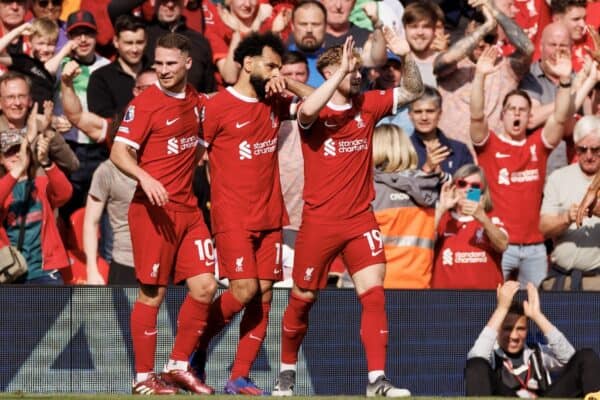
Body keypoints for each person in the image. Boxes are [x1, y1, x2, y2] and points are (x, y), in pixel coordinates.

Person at [272, 29, 423, 397]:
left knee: (373, 296)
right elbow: (306, 110)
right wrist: (340, 72)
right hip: (319, 222)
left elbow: (413, 91)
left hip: (359, 220)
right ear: (330, 74)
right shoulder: (313, 111)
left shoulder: (368, 105)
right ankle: (287, 371)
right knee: (302, 299)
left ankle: (376, 381)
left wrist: (406, 55)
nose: (358, 75)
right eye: (350, 70)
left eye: (356, 69)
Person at [192, 31, 311, 395]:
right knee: (242, 289)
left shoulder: (274, 102)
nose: (275, 71)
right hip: (232, 215)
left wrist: (286, 80)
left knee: (264, 295)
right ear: (247, 63)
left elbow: (322, 103)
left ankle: (238, 376)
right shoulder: (215, 107)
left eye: (279, 65)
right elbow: (195, 159)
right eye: (270, 64)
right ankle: (192, 350)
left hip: (272, 214)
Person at [110, 32, 217, 395]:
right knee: (152, 295)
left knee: (205, 287)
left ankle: (177, 365)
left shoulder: (197, 101)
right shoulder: (145, 104)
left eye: (171, 63)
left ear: (188, 63)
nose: (164, 70)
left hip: (188, 210)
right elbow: (118, 152)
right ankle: (142, 378)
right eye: (158, 64)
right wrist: (144, 176)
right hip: (152, 211)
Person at [470, 45, 574, 287]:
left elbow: (559, 116)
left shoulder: (538, 144)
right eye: (511, 110)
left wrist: (566, 80)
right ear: (502, 115)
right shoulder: (489, 146)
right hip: (499, 244)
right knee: (495, 307)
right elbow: (476, 115)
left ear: (530, 116)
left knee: (536, 309)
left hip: (535, 248)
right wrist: (479, 76)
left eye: (522, 110)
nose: (516, 114)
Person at [58, 61, 159, 285]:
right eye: (145, 89)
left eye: (157, 88)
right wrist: (66, 83)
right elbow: (77, 117)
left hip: (164, 251)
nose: (151, 95)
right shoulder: (119, 126)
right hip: (124, 252)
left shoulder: (178, 129)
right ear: (135, 90)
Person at [466, 281, 600, 397]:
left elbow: (570, 358)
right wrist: (501, 309)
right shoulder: (492, 356)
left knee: (586, 356)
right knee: (477, 364)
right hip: (506, 397)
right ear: (498, 330)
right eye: (507, 329)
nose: (514, 336)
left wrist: (537, 316)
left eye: (520, 329)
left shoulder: (537, 352)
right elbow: (475, 360)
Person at [435, 0, 534, 147]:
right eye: (475, 36)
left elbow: (528, 48)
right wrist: (486, 27)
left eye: (488, 38)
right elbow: (442, 63)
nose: (480, 43)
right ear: (466, 34)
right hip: (451, 157)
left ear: (496, 39)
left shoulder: (507, 67)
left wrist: (494, 12)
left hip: (493, 160)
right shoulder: (454, 65)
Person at [371, 123, 446, 289]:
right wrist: (430, 170)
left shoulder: (369, 190)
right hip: (419, 285)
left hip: (378, 285)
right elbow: (473, 188)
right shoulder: (426, 185)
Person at [53, 10, 110, 220]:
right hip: (68, 148)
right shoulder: (58, 65)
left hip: (98, 148)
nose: (83, 39)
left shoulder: (107, 67)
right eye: (77, 34)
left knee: (96, 211)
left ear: (96, 36)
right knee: (66, 209)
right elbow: (42, 101)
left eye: (88, 33)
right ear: (68, 38)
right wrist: (52, 121)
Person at [0, 120, 72, 284]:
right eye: (10, 152)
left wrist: (47, 163)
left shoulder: (40, 184)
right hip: (11, 271)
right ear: (1, 159)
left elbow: (65, 193)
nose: (18, 155)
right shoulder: (3, 189)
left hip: (44, 272)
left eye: (21, 150)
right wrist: (18, 169)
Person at [539, 115, 600, 290]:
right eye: (583, 149)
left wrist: (596, 210)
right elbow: (543, 227)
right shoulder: (558, 178)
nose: (589, 156)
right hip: (562, 279)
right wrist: (566, 218)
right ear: (575, 148)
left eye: (596, 150)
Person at [108, 0, 216, 94]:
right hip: (148, 110)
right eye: (163, 0)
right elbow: (114, 10)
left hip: (188, 111)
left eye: (175, 0)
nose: (169, 4)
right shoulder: (142, 33)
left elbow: (209, 90)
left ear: (185, 1)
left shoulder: (200, 42)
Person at [431, 164, 508, 289]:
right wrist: (440, 209)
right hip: (445, 299)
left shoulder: (491, 217)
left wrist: (482, 218)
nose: (467, 189)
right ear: (453, 187)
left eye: (475, 186)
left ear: (482, 192)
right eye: (462, 184)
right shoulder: (443, 218)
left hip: (485, 299)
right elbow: (423, 245)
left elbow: (502, 245)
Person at [0, 72, 79, 174]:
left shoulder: (42, 125)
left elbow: (72, 165)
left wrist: (49, 132)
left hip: (37, 187)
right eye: (10, 97)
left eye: (22, 96)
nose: (17, 103)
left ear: (30, 100)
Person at [276, 50, 308, 287]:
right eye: (289, 75)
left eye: (300, 74)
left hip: (303, 219)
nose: (295, 80)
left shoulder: (316, 110)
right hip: (271, 217)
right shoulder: (264, 109)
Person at [0, 18, 75, 105]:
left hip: (45, 116)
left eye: (51, 44)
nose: (45, 49)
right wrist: (18, 31)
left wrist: (66, 49)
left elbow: (48, 69)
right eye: (40, 43)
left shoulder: (55, 68)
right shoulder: (24, 61)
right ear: (30, 43)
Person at [87, 14, 147, 118]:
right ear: (116, 42)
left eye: (139, 42)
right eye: (128, 43)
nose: (135, 49)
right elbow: (101, 120)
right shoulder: (100, 78)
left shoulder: (157, 71)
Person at [409, 86, 474, 176]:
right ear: (410, 115)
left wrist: (444, 179)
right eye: (418, 112)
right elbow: (393, 187)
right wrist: (426, 169)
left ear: (440, 113)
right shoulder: (400, 151)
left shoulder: (459, 150)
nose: (424, 117)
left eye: (430, 111)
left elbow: (475, 188)